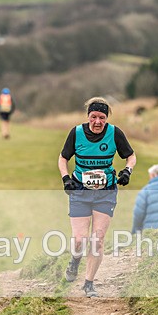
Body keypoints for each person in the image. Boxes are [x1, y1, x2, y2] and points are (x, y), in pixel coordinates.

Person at [58, 96, 136, 297]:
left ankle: (89, 283)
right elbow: (63, 158)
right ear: (88, 116)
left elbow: (131, 156)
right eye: (93, 117)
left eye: (102, 117)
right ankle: (75, 261)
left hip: (105, 192)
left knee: (98, 239)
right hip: (80, 191)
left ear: (106, 118)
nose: (98, 122)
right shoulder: (76, 133)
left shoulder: (114, 133)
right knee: (79, 239)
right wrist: (66, 179)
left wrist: (127, 171)